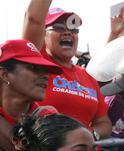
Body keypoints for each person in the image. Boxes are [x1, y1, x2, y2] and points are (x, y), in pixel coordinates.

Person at [23, 0, 112, 140]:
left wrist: (89, 135)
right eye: (58, 27)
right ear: (43, 34)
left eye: (73, 29)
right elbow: (33, 19)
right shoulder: (37, 65)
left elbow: (104, 123)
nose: (68, 33)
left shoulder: (88, 76)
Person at [0, 39, 62, 151]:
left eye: (46, 70)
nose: (46, 75)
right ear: (5, 75)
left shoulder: (48, 118)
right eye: (34, 68)